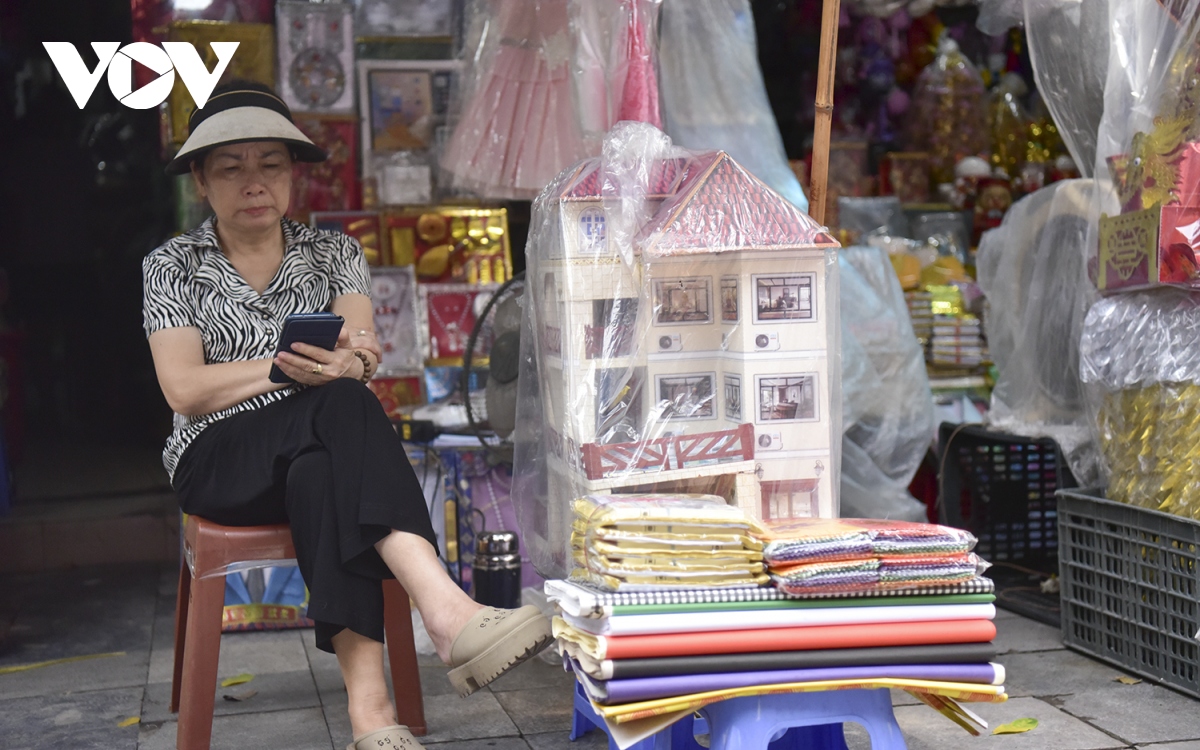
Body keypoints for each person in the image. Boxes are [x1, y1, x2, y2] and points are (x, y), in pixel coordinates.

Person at [142, 81, 551, 750]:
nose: (255, 182)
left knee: (322, 473)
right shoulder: (172, 266)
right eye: (232, 167)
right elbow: (183, 390)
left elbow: (361, 353)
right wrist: (284, 370)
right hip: (217, 460)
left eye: (271, 164)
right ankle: (444, 607)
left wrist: (351, 361)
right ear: (201, 181)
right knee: (337, 408)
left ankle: (372, 716)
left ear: (293, 176)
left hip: (317, 448)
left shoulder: (332, 253)